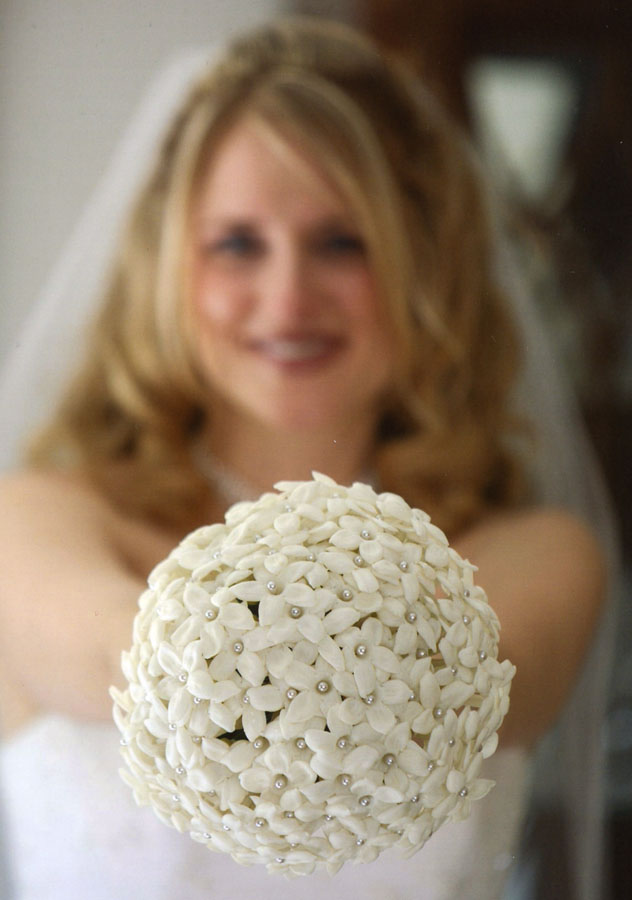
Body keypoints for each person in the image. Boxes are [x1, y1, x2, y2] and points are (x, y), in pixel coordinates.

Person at [0, 16, 611, 900]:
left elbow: (453, 689)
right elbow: (125, 662)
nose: (287, 298)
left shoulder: (539, 551)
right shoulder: (36, 523)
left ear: (425, 265)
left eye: (342, 241)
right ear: (168, 266)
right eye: (237, 243)